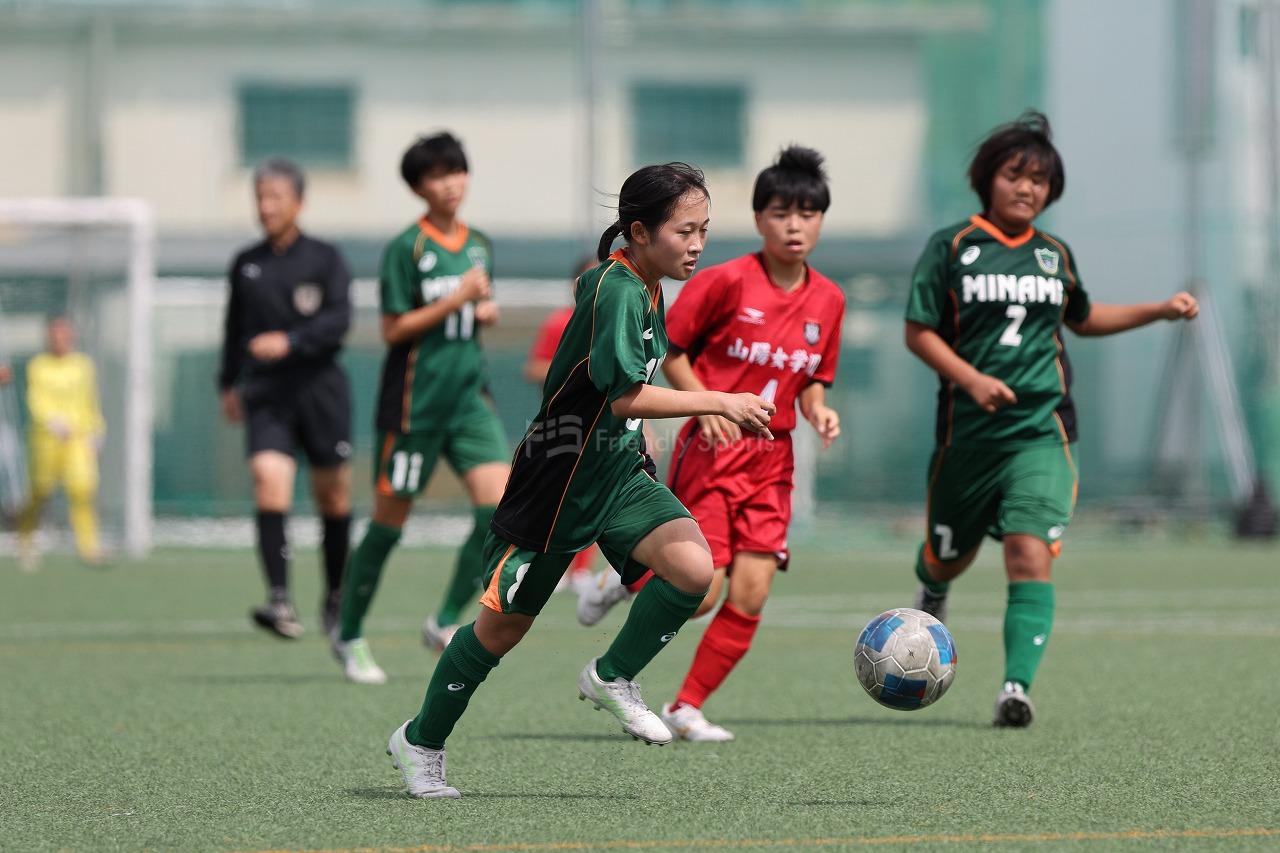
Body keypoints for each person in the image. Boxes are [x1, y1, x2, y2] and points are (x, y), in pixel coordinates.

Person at [385, 162, 777, 799]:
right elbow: (622, 396)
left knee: (693, 571)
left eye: (704, 230)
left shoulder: (647, 285)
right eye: (685, 231)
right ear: (640, 231)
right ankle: (421, 740)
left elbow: (626, 398)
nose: (698, 244)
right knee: (501, 631)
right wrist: (717, 400)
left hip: (615, 470)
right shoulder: (617, 288)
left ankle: (612, 675)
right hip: (558, 479)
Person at [904, 111, 1199, 727]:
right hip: (968, 439)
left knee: (1028, 553)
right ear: (988, 179)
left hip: (1043, 433)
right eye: (1015, 175)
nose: (1027, 188)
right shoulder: (953, 247)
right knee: (945, 557)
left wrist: (1160, 310)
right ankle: (933, 587)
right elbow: (918, 331)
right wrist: (972, 379)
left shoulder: (1053, 254)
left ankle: (1015, 688)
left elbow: (1084, 319)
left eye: (1040, 180)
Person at [654, 146, 845, 742]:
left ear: (820, 220)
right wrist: (707, 403)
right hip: (713, 447)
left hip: (773, 459)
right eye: (782, 213)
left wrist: (819, 410)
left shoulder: (830, 300)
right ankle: (626, 579)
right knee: (703, 593)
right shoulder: (725, 282)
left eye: (808, 213)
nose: (795, 225)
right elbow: (672, 351)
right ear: (760, 218)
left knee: (754, 590)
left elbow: (813, 378)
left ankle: (685, 706)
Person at [332, 132, 507, 685]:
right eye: (435, 176)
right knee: (389, 524)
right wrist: (453, 301)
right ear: (418, 188)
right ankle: (350, 631)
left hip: (469, 402)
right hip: (414, 409)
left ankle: (443, 620)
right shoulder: (406, 248)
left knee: (499, 513)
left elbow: (477, 305)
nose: (449, 183)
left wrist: (482, 311)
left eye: (456, 171)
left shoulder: (478, 243)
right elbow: (392, 328)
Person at [219, 158, 354, 640]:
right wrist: (226, 383)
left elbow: (339, 320)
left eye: (275, 197)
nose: (266, 206)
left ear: (298, 202)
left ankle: (336, 595)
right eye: (260, 196)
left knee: (333, 497)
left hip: (320, 389)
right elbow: (233, 329)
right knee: (266, 479)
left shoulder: (325, 258)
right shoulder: (246, 263)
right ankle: (280, 600)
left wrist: (290, 342)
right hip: (267, 393)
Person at [525, 256, 601, 595]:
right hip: (562, 423)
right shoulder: (561, 323)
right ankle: (542, 564)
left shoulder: (616, 324)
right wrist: (575, 375)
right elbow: (535, 369)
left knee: (592, 495)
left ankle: (581, 570)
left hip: (601, 427)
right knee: (554, 495)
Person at [18, 316, 105, 569]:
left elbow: (90, 401)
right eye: (55, 335)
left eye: (64, 334)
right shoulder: (38, 366)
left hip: (77, 439)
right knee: (40, 493)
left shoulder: (82, 366)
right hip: (46, 440)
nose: (59, 339)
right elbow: (35, 400)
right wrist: (51, 421)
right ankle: (26, 541)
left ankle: (89, 548)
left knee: (82, 489)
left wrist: (97, 429)